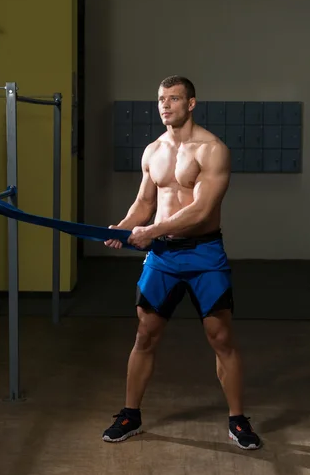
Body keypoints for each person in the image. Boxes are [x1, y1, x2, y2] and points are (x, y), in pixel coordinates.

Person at [103, 75, 261, 450]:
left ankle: (238, 420)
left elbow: (202, 209)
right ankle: (130, 415)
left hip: (204, 253)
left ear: (191, 103)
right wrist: (124, 228)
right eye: (161, 99)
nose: (165, 105)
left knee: (221, 337)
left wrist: (151, 231)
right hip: (163, 257)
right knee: (145, 335)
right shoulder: (152, 150)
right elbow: (144, 202)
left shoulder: (212, 149)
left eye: (174, 98)